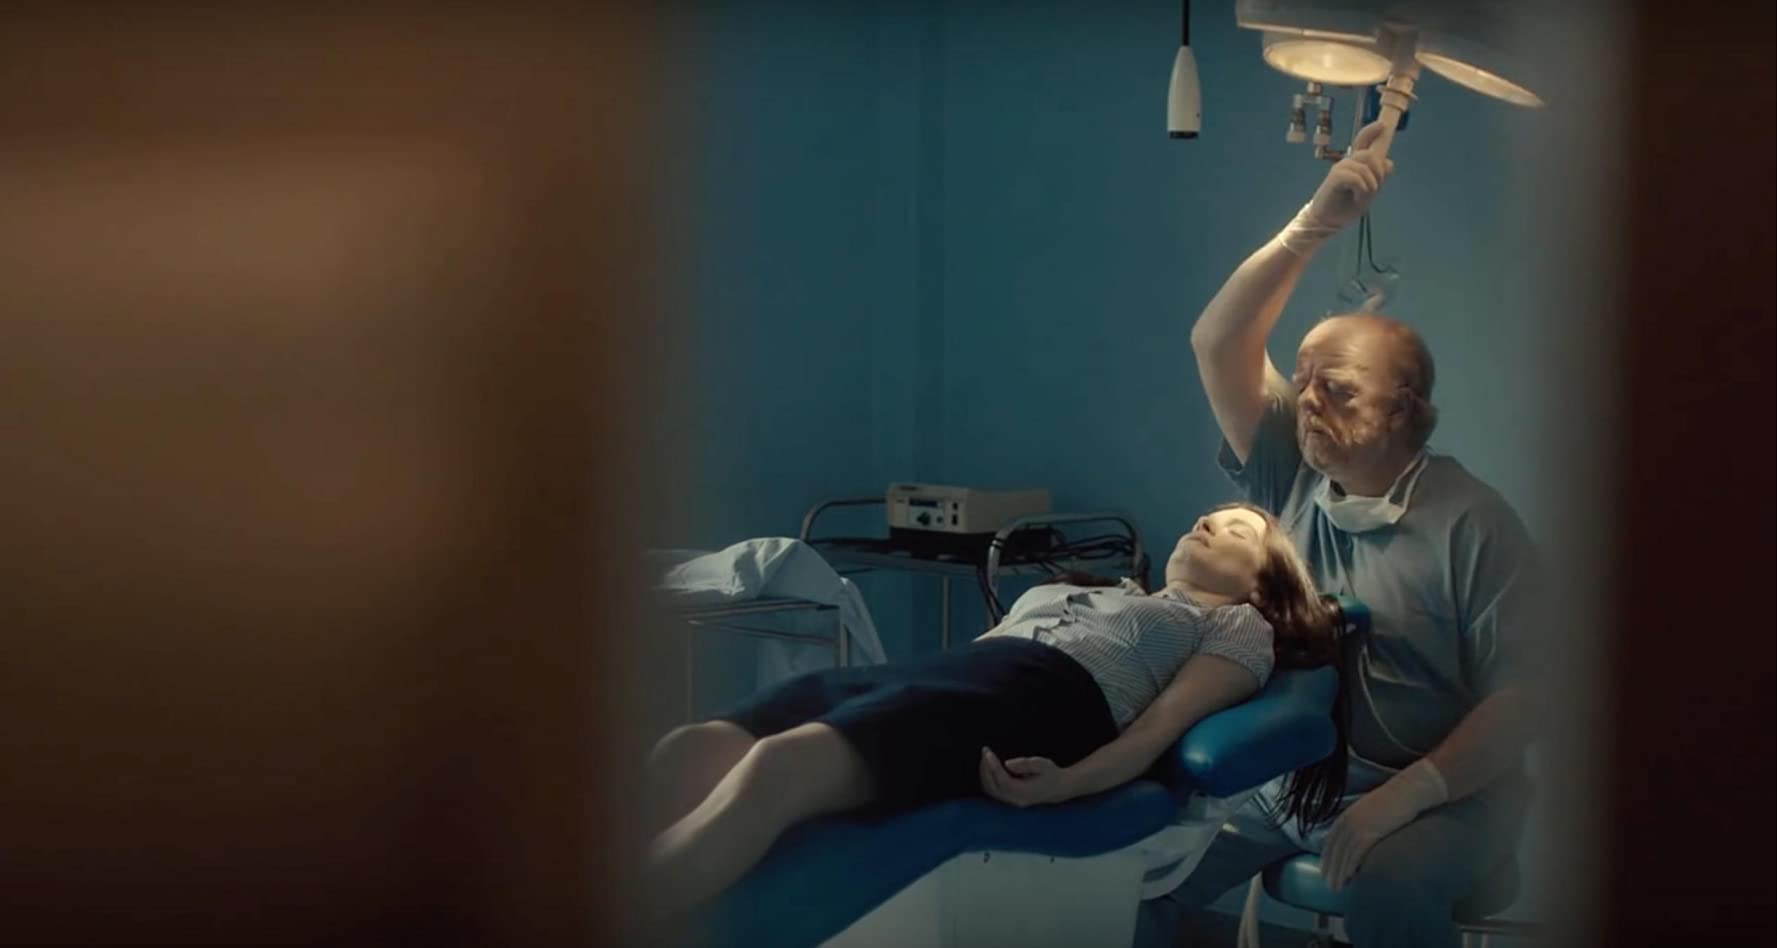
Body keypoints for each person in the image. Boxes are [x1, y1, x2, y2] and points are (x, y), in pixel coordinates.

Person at [1137, 121, 1542, 947]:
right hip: (1289, 785)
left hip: (1441, 797)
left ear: (1403, 409)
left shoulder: (1472, 525)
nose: (1309, 403)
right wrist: (1312, 224)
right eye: (1304, 380)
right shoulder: (1293, 473)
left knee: (1388, 889)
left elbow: (1525, 698)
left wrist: (1409, 794)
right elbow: (1218, 342)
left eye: (1340, 389)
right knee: (1138, 878)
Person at [640, 502, 1344, 917]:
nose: (1206, 523)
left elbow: (1161, 728)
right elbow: (981, 655)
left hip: (1041, 702)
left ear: (1264, 584)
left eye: (1235, 531)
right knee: (691, 750)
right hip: (949, 677)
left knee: (779, 768)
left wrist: (1069, 784)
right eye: (1207, 517)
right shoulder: (1112, 589)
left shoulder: (1236, 626)